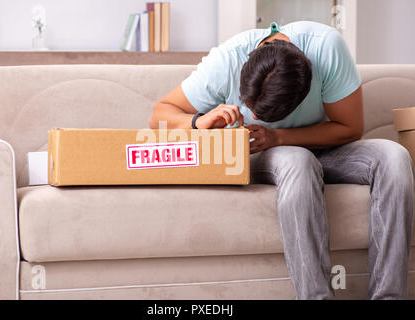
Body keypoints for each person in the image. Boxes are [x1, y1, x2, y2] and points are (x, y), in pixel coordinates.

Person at [149, 21, 414, 300]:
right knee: (298, 161)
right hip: (263, 153)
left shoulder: (326, 49)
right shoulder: (226, 61)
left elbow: (349, 128)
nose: (259, 117)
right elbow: (160, 114)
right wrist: (199, 121)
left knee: (394, 157)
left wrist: (278, 136)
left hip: (319, 146)